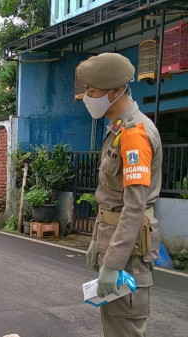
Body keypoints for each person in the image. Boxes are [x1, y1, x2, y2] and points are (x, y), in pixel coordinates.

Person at [77, 53, 162, 337]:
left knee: (124, 329)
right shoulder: (118, 130)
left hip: (128, 254)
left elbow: (134, 208)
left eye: (92, 91)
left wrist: (112, 264)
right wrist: (95, 243)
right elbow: (110, 199)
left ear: (115, 92)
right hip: (114, 245)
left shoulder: (135, 134)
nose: (87, 96)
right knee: (114, 325)